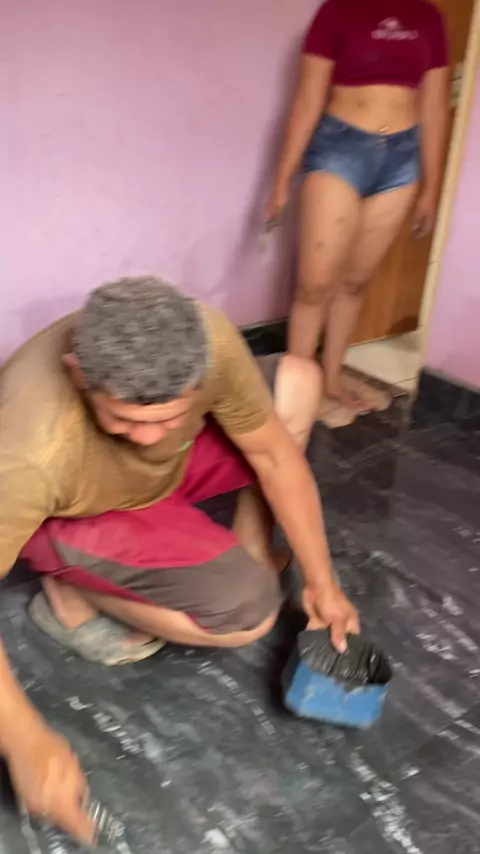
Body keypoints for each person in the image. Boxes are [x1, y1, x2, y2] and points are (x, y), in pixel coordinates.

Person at [0, 277, 359, 843]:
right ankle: (73, 589)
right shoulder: (30, 453)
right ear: (78, 374)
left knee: (297, 380)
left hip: (155, 479)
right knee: (248, 616)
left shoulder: (209, 340)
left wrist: (322, 582)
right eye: (124, 418)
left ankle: (247, 548)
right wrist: (22, 737)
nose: (148, 437)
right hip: (71, 510)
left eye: (169, 416)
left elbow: (272, 455)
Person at [267, 0, 449, 426]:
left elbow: (435, 107)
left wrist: (432, 189)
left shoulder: (429, 17)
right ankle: (300, 391)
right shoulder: (338, 11)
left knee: (355, 282)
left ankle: (330, 379)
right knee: (314, 285)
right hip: (340, 149)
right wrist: (281, 180)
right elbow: (307, 100)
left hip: (401, 158)